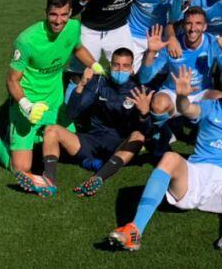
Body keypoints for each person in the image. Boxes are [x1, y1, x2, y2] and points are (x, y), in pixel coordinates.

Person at [107, 64, 222, 255]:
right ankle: (134, 230)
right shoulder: (210, 106)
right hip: (194, 176)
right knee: (170, 157)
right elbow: (188, 110)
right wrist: (181, 96)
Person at [0, 0, 101, 175]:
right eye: (53, 15)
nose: (58, 20)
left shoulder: (73, 27)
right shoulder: (26, 40)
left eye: (64, 15)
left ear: (70, 12)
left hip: (55, 102)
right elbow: (12, 81)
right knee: (21, 169)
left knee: (71, 149)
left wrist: (96, 67)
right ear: (45, 13)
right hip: (28, 105)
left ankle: (32, 136)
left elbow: (77, 48)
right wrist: (27, 106)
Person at [14, 48, 155, 198]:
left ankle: (98, 178)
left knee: (138, 136)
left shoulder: (138, 90)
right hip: (91, 141)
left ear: (132, 68)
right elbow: (72, 113)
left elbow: (147, 133)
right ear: (110, 65)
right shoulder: (99, 83)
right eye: (116, 65)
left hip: (117, 147)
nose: (120, 69)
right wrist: (81, 85)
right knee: (51, 130)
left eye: (125, 66)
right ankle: (49, 180)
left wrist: (145, 113)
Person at [139, 10, 222, 128]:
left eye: (198, 23)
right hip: (173, 92)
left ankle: (202, 130)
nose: (193, 28)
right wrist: (151, 52)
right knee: (158, 104)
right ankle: (160, 132)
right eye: (188, 23)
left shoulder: (212, 43)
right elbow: (144, 78)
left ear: (205, 26)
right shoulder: (172, 45)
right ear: (183, 25)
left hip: (201, 93)